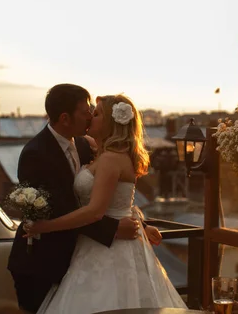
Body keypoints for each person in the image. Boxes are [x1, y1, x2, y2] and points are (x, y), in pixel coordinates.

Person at [24, 94, 187, 313]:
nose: (91, 116)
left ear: (110, 122)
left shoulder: (110, 158)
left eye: (97, 113)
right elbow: (121, 203)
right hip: (91, 245)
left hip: (108, 250)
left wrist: (46, 226)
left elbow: (94, 211)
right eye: (89, 112)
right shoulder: (95, 151)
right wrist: (142, 224)